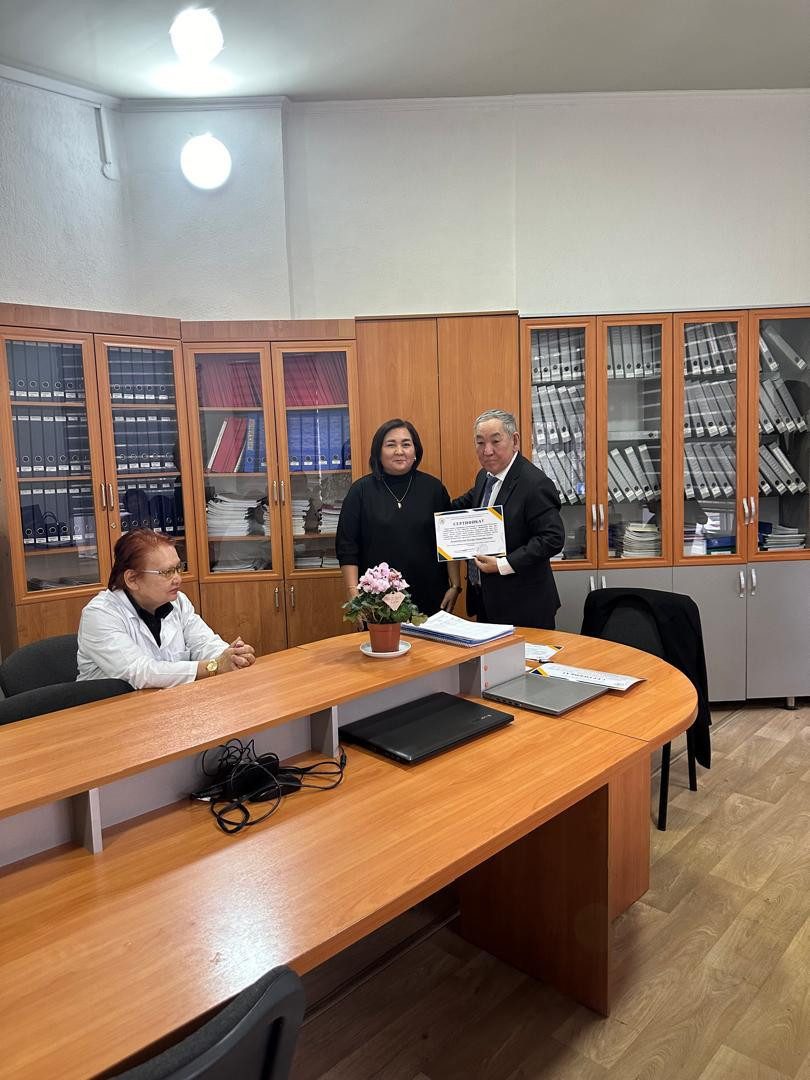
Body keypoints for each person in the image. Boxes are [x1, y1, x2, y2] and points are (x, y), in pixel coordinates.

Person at [77, 529, 256, 689]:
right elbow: (140, 672)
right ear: (132, 579)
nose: (178, 579)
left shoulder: (178, 602)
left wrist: (232, 657)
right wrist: (214, 666)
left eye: (178, 568)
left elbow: (204, 643)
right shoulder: (100, 614)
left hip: (168, 702)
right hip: (111, 708)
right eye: (167, 572)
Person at [453, 408, 565, 629]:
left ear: (515, 441)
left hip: (524, 606)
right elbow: (462, 505)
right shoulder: (485, 476)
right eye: (480, 443)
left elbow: (552, 538)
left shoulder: (535, 483)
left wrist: (503, 564)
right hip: (486, 600)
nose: (487, 451)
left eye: (496, 441)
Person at [336, 418, 461, 616]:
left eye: (406, 444)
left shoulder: (434, 489)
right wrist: (354, 595)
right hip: (377, 600)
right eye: (391, 445)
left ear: (415, 450)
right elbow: (347, 547)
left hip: (431, 594)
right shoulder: (360, 491)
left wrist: (455, 585)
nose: (399, 451)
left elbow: (449, 541)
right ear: (378, 452)